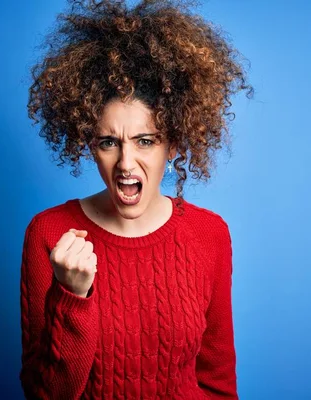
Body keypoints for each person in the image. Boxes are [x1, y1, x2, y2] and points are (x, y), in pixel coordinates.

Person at [19, 0, 253, 398]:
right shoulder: (51, 234)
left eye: (146, 141)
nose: (126, 163)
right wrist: (71, 297)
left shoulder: (208, 234)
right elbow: (46, 395)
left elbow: (217, 383)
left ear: (174, 145)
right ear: (90, 146)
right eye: (109, 142)